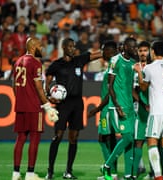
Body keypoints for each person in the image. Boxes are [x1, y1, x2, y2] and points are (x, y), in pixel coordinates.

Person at [44, 37, 102, 180]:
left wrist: (112, 51)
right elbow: (48, 81)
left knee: (74, 137)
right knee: (57, 136)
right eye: (70, 46)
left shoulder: (79, 60)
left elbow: (98, 54)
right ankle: (50, 171)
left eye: (74, 46)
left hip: (77, 104)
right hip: (63, 105)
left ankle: (68, 171)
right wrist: (48, 95)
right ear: (63, 47)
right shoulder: (56, 64)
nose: (72, 48)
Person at [12, 37, 59, 180]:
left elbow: (14, 86)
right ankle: (30, 174)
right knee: (34, 139)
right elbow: (38, 88)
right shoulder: (36, 63)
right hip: (33, 107)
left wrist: (21, 99)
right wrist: (48, 108)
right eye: (39, 45)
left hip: (21, 106)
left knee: (20, 139)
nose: (42, 48)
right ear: (32, 47)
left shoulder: (18, 61)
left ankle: (15, 173)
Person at [134, 40, 163, 180]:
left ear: (152, 51)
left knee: (151, 141)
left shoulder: (150, 68)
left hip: (157, 110)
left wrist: (139, 72)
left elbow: (143, 87)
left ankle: (158, 175)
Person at [102, 37, 138, 180]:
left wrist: (140, 102)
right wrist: (117, 106)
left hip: (129, 106)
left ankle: (128, 174)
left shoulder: (134, 64)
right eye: (132, 47)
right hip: (118, 106)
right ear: (125, 47)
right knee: (127, 137)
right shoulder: (115, 60)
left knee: (131, 140)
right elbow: (109, 85)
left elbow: (131, 87)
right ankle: (107, 165)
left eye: (135, 47)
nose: (134, 49)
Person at [87, 40, 119, 179]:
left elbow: (111, 91)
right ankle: (114, 172)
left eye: (103, 50)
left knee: (103, 138)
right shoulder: (115, 64)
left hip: (107, 109)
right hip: (110, 108)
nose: (101, 53)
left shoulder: (114, 66)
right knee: (111, 140)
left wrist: (97, 108)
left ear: (110, 51)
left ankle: (109, 172)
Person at [132, 41, 150, 178]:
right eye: (141, 50)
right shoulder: (133, 67)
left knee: (153, 141)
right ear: (137, 52)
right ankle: (139, 167)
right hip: (139, 109)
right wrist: (142, 103)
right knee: (137, 140)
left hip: (154, 108)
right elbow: (131, 89)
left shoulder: (153, 67)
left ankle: (155, 170)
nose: (143, 53)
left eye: (145, 50)